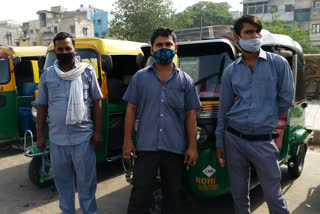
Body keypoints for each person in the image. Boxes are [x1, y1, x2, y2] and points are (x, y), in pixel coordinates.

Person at [215, 15, 294, 214]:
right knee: (239, 193)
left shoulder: (278, 64)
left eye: (257, 31)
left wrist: (264, 117)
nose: (255, 36)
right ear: (237, 37)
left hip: (263, 140)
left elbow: (286, 100)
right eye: (249, 32)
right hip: (234, 138)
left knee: (272, 194)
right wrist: (219, 142)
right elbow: (224, 109)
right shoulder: (230, 71)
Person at [122, 27, 201, 214]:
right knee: (139, 194)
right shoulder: (140, 78)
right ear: (152, 49)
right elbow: (131, 109)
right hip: (146, 147)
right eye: (159, 45)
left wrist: (192, 146)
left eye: (168, 44)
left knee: (173, 195)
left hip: (174, 148)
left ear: (176, 48)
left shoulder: (186, 81)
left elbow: (191, 115)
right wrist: (127, 141)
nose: (163, 48)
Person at [36, 32, 103, 214]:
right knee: (63, 186)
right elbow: (41, 106)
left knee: (87, 185)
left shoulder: (87, 72)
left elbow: (97, 102)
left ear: (74, 49)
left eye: (67, 48)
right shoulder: (47, 75)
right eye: (60, 49)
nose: (64, 51)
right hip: (58, 141)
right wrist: (40, 135)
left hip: (83, 139)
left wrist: (98, 132)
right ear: (55, 51)